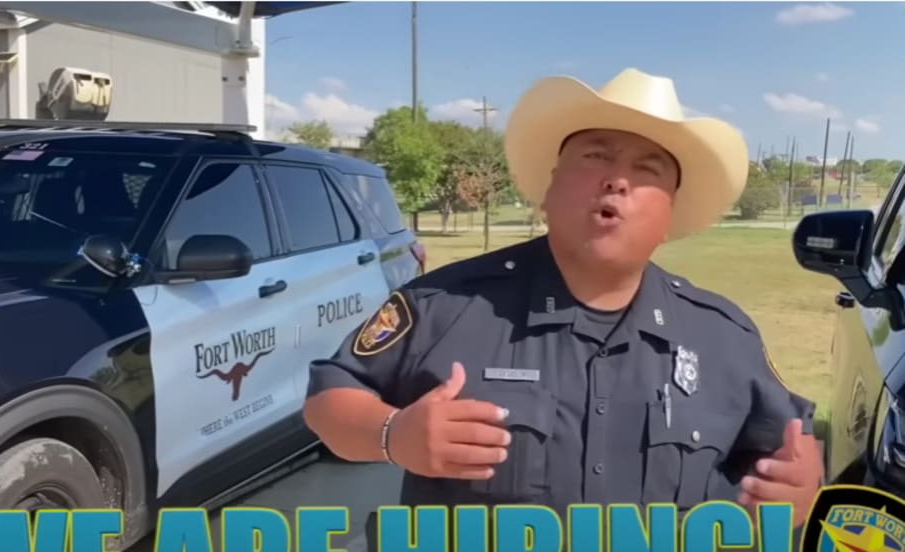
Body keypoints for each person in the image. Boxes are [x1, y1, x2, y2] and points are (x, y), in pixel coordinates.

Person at [303, 68, 823, 549]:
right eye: (596, 156)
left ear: (670, 215)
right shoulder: (445, 305)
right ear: (548, 189)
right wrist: (394, 436)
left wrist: (800, 490)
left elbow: (790, 452)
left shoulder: (723, 337)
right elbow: (330, 399)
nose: (617, 180)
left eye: (647, 169)